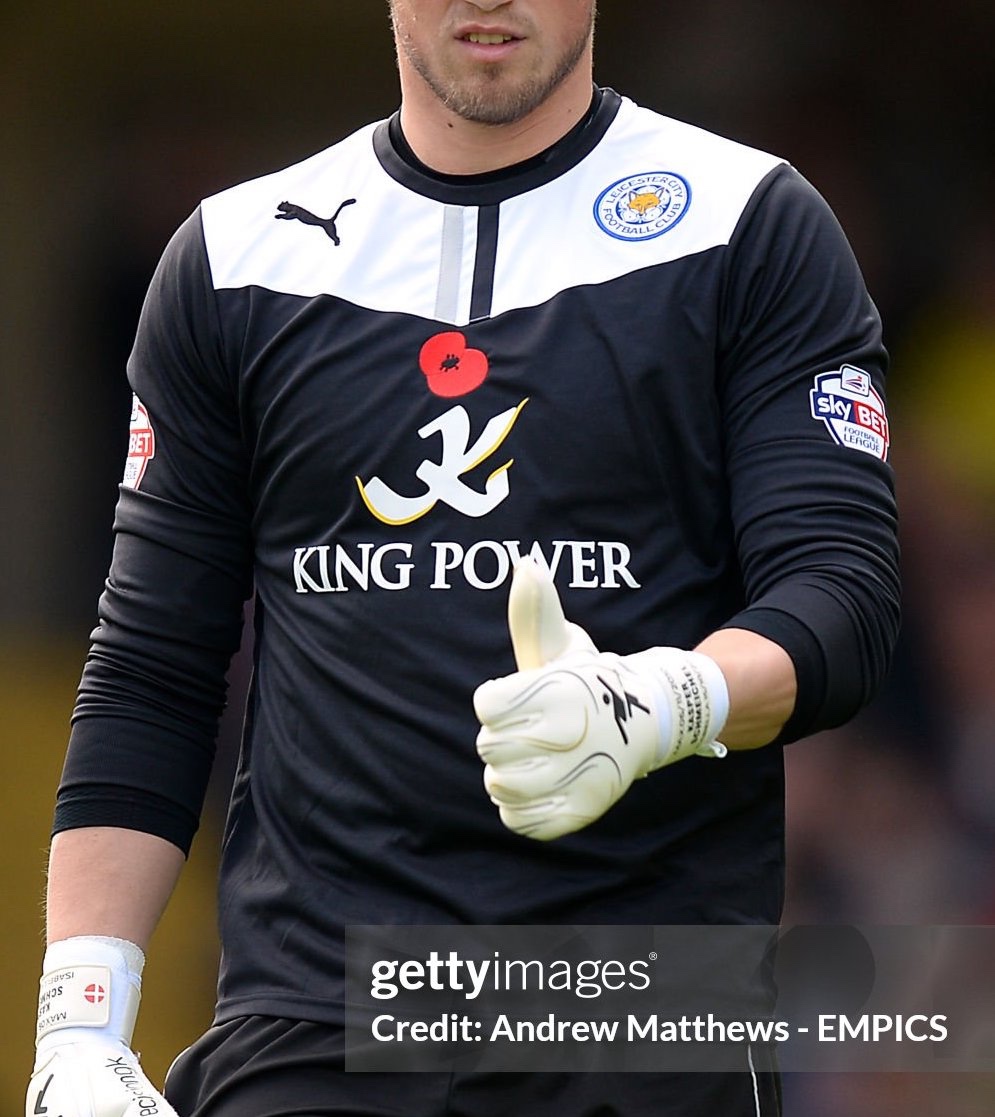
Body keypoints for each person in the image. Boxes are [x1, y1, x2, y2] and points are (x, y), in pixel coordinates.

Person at [27, 1, 900, 1115]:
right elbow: (152, 664)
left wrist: (660, 700)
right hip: (317, 1016)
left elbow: (841, 597)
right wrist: (81, 1029)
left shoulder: (748, 223)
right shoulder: (232, 260)